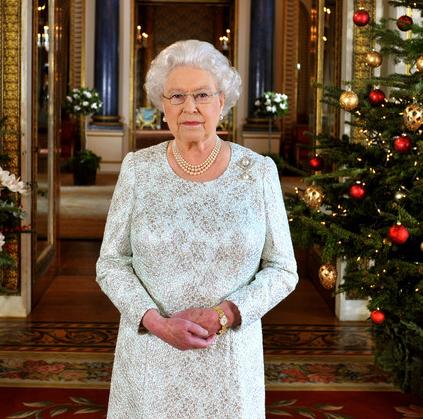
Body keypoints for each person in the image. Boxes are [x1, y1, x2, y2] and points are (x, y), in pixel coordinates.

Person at [96, 39, 298, 418]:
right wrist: (153, 321)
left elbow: (284, 269)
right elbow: (111, 263)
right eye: (176, 96)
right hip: (151, 357)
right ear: (162, 106)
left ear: (222, 101)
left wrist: (225, 313)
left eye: (202, 94)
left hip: (230, 361)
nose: (189, 107)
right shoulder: (137, 169)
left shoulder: (257, 172)